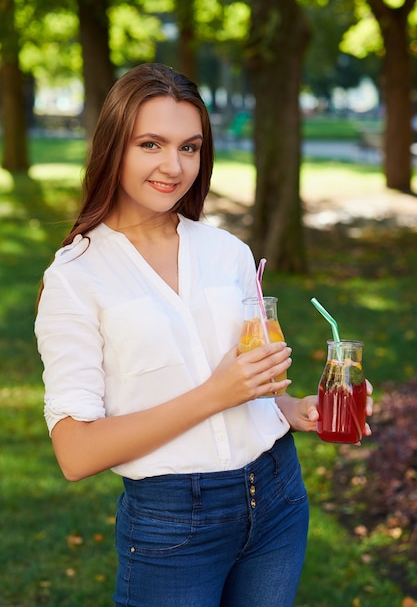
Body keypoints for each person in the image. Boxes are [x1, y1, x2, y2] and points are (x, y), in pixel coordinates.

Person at [35, 63, 372, 607]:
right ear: (113, 146)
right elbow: (75, 453)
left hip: (278, 496)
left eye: (189, 147)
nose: (174, 166)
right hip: (173, 524)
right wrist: (216, 393)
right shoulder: (76, 278)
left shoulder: (227, 253)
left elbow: (250, 385)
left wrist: (294, 409)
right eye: (151, 144)